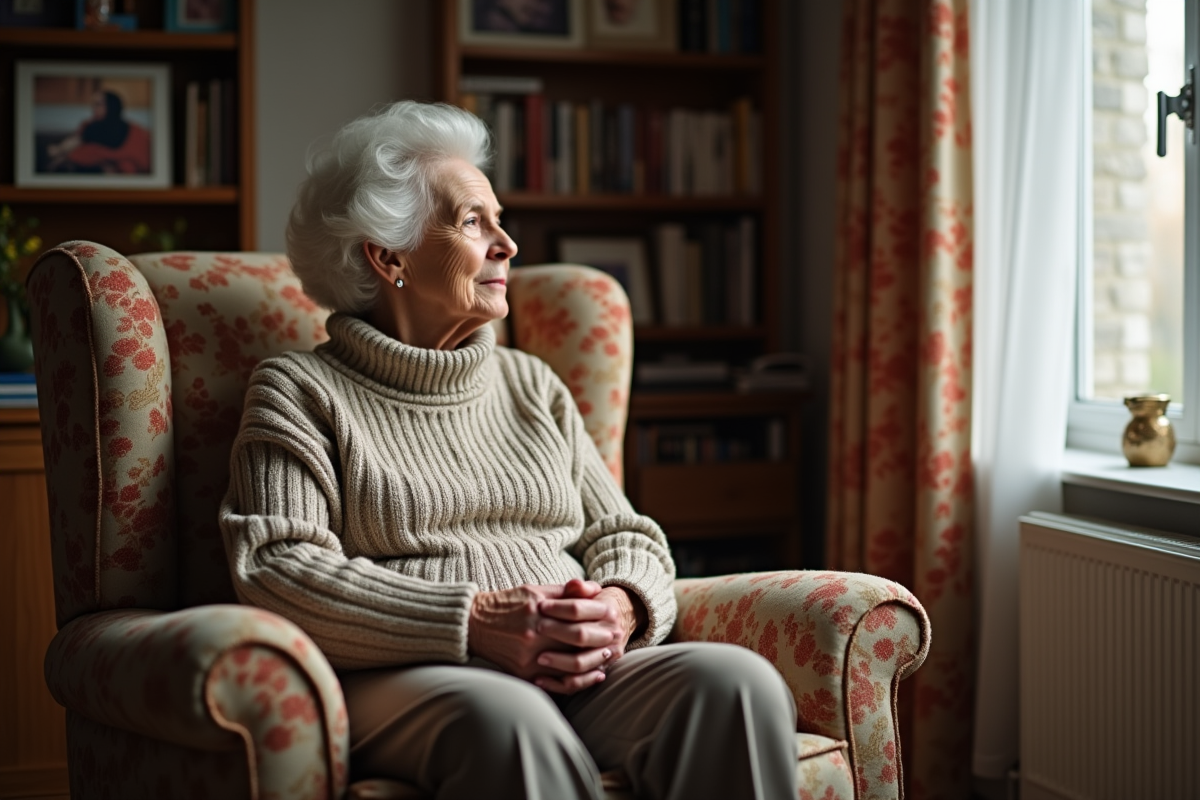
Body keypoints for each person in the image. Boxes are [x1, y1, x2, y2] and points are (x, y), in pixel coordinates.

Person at [219, 100, 798, 800]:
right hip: (410, 674)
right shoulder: (299, 390)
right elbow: (278, 566)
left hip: (579, 670)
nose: (508, 244)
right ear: (388, 255)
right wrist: (475, 621)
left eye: (499, 219)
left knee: (737, 684)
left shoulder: (532, 384)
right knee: (509, 720)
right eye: (473, 222)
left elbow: (624, 533)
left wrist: (620, 608)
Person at [44, 89, 150, 174]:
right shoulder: (89, 126)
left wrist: (59, 150)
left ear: (111, 106)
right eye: (93, 104)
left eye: (98, 104)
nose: (94, 108)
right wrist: (60, 150)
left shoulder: (132, 130)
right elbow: (75, 143)